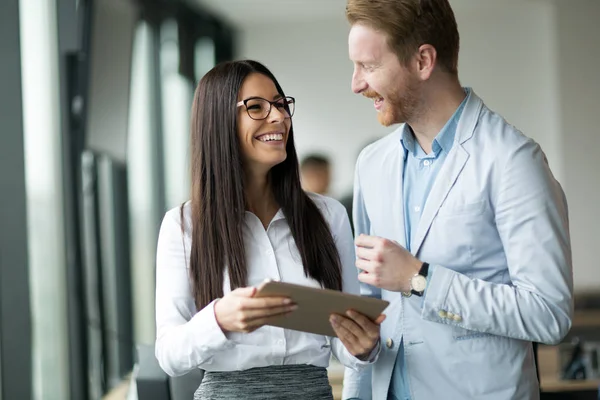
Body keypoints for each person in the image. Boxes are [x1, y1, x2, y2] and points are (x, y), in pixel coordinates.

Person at [341, 1, 573, 399]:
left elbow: (548, 314)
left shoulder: (513, 159)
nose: (356, 84)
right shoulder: (371, 164)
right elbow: (368, 302)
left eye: (369, 66)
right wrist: (361, 348)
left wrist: (419, 280)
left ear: (423, 60)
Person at [154, 59, 384, 400]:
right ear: (218, 121)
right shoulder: (184, 225)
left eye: (280, 104)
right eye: (257, 107)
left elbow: (344, 343)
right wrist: (219, 318)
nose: (278, 117)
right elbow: (169, 355)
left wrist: (363, 347)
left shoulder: (328, 215)